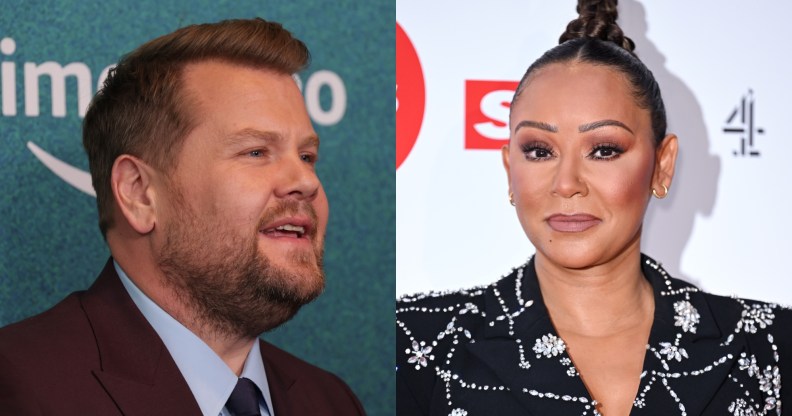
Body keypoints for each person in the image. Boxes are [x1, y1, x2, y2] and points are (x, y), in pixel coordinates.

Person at [396, 1, 791, 415]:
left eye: (603, 150)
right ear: (509, 167)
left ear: (662, 165)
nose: (566, 183)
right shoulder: (417, 343)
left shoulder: (772, 348)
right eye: (539, 151)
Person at [0, 18, 365, 415]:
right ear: (139, 194)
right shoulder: (21, 386)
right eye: (256, 152)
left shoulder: (331, 401)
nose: (306, 181)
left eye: (308, 156)